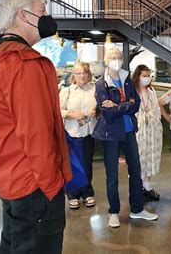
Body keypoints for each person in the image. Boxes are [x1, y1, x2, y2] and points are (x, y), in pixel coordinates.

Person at [0, 0, 72, 254]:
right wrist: (51, 187)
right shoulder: (24, 64)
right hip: (35, 185)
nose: (47, 15)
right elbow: (36, 133)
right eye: (43, 9)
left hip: (11, 179)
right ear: (24, 15)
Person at [93, 48, 158, 228]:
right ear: (106, 60)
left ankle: (137, 209)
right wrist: (125, 105)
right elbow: (107, 112)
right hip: (111, 133)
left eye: (119, 57)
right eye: (112, 57)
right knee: (112, 174)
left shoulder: (127, 80)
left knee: (136, 170)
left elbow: (135, 104)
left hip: (129, 131)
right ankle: (113, 212)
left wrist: (119, 105)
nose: (116, 60)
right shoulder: (101, 84)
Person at [59, 62, 97, 210]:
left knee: (87, 164)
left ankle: (87, 192)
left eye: (85, 73)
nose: (82, 75)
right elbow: (58, 110)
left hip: (88, 133)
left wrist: (95, 111)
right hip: (71, 133)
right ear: (74, 75)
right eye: (79, 73)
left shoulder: (93, 89)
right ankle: (73, 194)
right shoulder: (67, 91)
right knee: (73, 165)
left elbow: (100, 105)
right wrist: (73, 114)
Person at [132, 64, 163, 201]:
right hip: (139, 128)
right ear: (137, 76)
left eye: (148, 75)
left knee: (151, 157)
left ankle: (148, 186)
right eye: (143, 76)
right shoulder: (133, 91)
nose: (146, 78)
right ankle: (137, 187)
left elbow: (156, 108)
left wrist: (157, 121)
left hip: (152, 128)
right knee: (139, 157)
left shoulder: (152, 91)